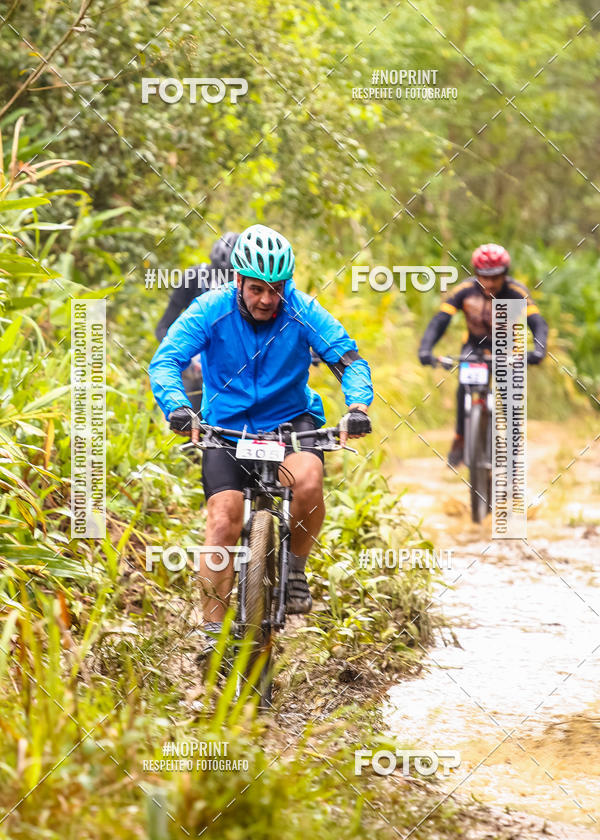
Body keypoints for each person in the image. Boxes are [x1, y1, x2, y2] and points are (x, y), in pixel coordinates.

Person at [149, 223, 373, 647]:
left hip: (291, 421)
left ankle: (296, 568)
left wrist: (357, 406)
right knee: (223, 520)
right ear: (237, 280)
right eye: (256, 289)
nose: (267, 299)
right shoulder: (208, 309)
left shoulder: (302, 310)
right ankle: (212, 634)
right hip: (227, 427)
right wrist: (177, 407)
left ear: (287, 283)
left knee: (307, 483)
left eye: (276, 288)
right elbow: (166, 361)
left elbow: (348, 358)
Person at [418, 243, 548, 467]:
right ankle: (460, 437)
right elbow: (440, 320)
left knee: (510, 395)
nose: (489, 283)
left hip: (507, 350)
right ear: (476, 274)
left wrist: (539, 350)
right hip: (473, 349)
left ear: (504, 274)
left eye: (495, 277)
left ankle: (512, 449)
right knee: (463, 388)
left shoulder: (517, 292)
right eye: (484, 277)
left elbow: (537, 322)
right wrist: (426, 349)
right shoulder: (464, 291)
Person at [155, 232, 240, 414]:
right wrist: (187, 359)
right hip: (195, 363)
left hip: (230, 364)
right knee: (191, 419)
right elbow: (163, 327)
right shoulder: (193, 278)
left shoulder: (249, 292)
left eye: (232, 279)